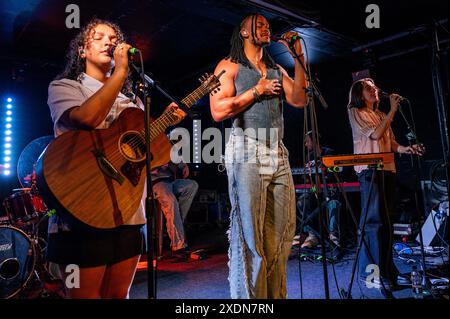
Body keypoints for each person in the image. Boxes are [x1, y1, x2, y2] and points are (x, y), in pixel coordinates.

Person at [46, 18, 184, 298]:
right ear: (82, 51)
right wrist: (120, 72)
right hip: (82, 209)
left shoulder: (132, 102)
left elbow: (153, 156)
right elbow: (87, 118)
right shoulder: (65, 87)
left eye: (114, 38)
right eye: (99, 37)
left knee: (118, 296)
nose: (109, 42)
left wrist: (165, 124)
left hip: (127, 212)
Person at [210, 13, 308, 299]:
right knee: (251, 237)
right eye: (259, 24)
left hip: (277, 150)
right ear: (243, 31)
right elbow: (218, 111)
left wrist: (299, 58)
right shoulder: (229, 66)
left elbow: (299, 99)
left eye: (268, 25)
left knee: (282, 233)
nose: (267, 28)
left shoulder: (276, 67)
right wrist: (256, 90)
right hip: (247, 148)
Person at [347, 78, 423, 290]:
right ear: (360, 94)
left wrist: (408, 148)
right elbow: (375, 134)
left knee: (387, 224)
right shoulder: (355, 111)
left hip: (388, 169)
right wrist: (393, 110)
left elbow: (391, 142)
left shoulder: (381, 115)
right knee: (374, 224)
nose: (374, 90)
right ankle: (372, 276)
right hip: (370, 170)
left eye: (374, 87)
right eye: (368, 88)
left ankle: (389, 271)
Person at [296, 131, 341, 249]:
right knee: (302, 201)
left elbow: (334, 173)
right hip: (315, 191)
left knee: (333, 203)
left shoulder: (328, 153)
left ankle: (333, 236)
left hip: (328, 190)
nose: (306, 144)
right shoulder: (309, 156)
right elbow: (306, 177)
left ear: (315, 141)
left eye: (307, 141)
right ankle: (313, 235)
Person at [151, 161, 198, 255]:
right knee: (171, 201)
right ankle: (178, 245)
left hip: (170, 181)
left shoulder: (165, 146)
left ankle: (174, 226)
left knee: (192, 185)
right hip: (155, 182)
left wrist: (184, 165)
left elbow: (175, 155)